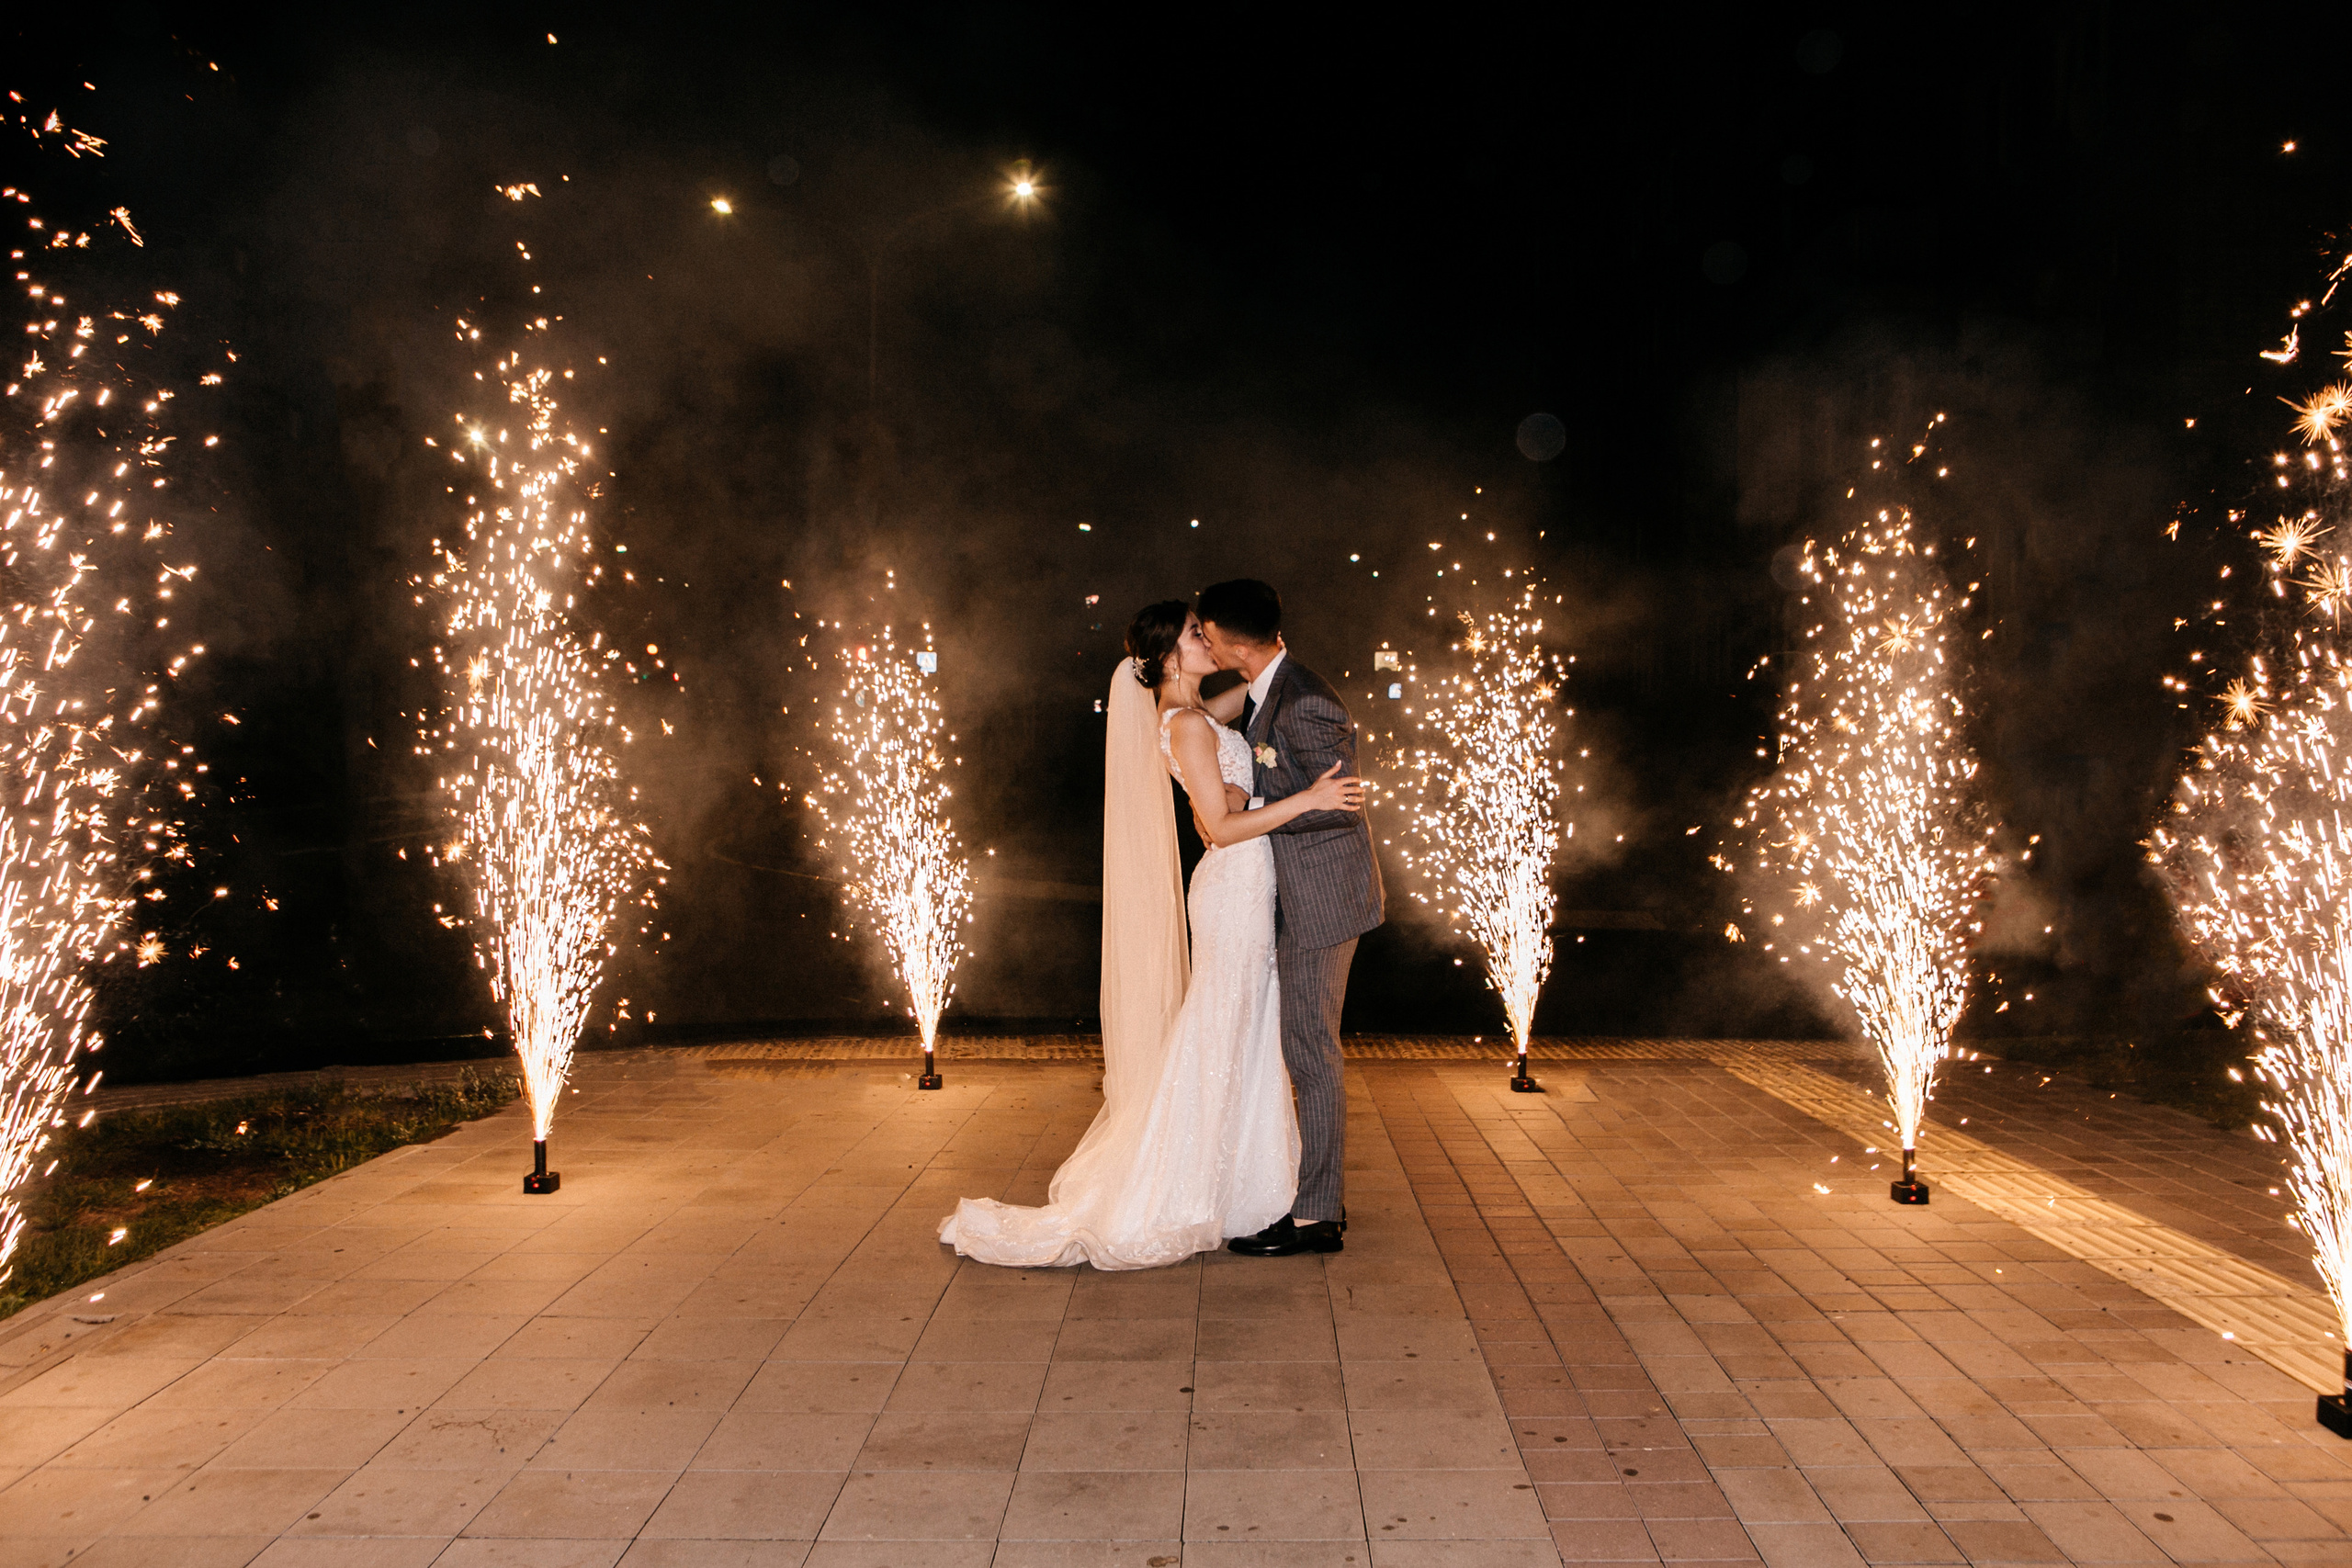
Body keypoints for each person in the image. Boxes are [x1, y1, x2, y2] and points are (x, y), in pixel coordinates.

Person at [937, 600, 1365, 1269]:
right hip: (1234, 890)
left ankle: (1252, 1186)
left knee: (1248, 1031)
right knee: (1223, 1026)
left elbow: (1247, 712)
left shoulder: (1197, 713)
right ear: (1170, 655)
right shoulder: (1188, 725)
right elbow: (1219, 828)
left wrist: (1260, 678)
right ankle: (1185, 1185)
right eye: (1199, 635)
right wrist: (1305, 800)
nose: (1210, 642)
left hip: (1250, 885)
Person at [1195, 579, 1385, 1258]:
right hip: (1294, 892)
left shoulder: (1303, 700)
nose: (1203, 640)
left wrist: (1258, 809)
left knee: (1311, 1049)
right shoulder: (1264, 687)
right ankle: (1308, 1197)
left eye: (1206, 630)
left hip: (1324, 900)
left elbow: (1339, 803)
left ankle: (1317, 1214)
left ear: (1228, 636)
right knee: (1303, 1046)